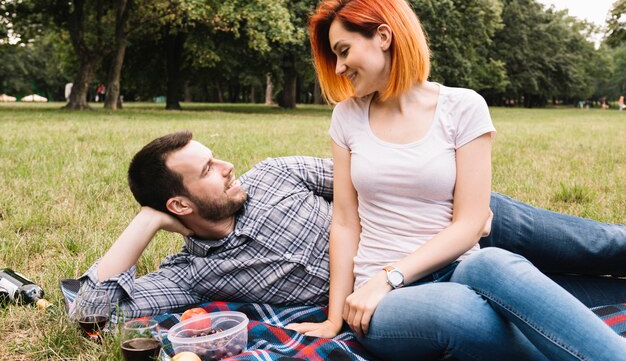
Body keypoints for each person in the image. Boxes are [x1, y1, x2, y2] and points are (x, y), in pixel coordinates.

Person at [286, 0, 626, 361]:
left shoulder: (463, 107)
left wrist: (392, 275)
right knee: (456, 308)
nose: (340, 67)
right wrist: (336, 317)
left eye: (343, 51)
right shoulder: (346, 117)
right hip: (383, 300)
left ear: (382, 36)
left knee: (495, 261)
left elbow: (470, 223)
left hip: (454, 267)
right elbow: (344, 223)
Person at [78, 131, 626, 324]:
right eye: (207, 170)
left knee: (604, 245)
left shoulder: (273, 175)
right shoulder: (194, 274)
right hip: (438, 280)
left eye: (215, 157)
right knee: (588, 302)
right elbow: (90, 307)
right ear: (180, 204)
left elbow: (374, 179)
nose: (225, 167)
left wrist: (467, 212)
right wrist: (145, 221)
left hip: (471, 221)